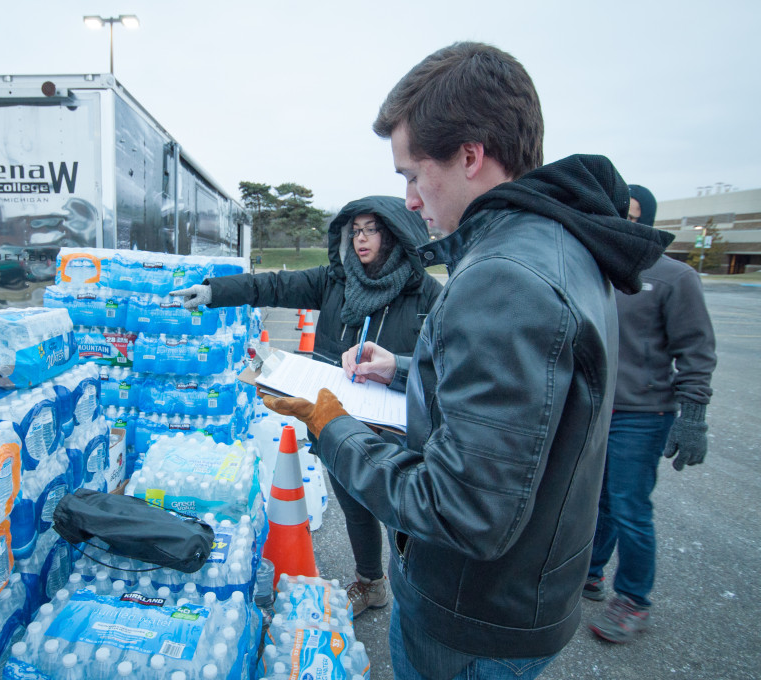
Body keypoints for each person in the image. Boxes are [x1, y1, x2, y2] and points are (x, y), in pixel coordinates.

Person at [264, 42, 674, 680]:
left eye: (411, 173)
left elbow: (459, 510)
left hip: (472, 615)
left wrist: (333, 425)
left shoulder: (504, 276)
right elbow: (538, 401)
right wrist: (400, 369)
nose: (412, 201)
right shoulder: (558, 244)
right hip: (522, 594)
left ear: (470, 156)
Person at [171, 195, 443, 614]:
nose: (361, 239)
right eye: (355, 231)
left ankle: (420, 601)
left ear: (396, 234)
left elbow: (446, 367)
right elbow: (274, 286)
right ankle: (371, 582)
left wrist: (400, 368)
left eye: (372, 229)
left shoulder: (429, 296)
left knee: (403, 518)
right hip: (334, 420)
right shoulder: (336, 281)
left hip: (395, 430)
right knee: (354, 506)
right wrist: (213, 292)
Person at [583, 184, 717, 643]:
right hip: (596, 410)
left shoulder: (674, 278)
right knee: (596, 500)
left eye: (634, 215)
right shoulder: (599, 271)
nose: (625, 222)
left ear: (650, 221)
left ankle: (634, 599)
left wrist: (694, 416)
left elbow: (696, 351)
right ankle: (592, 572)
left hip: (645, 413)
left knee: (629, 505)